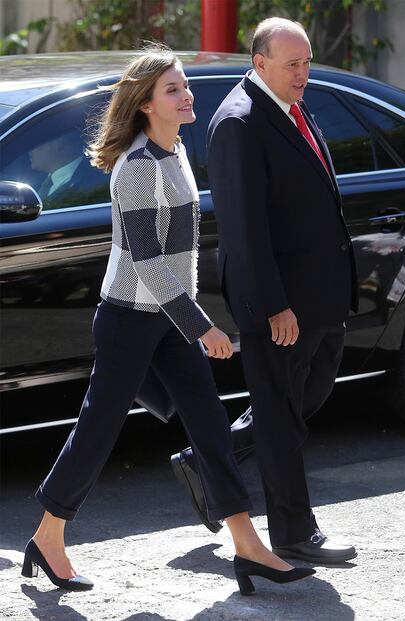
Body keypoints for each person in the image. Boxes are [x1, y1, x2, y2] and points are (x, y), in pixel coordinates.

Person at [21, 43, 314, 596]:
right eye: (173, 89)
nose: (186, 95)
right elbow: (146, 260)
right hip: (130, 318)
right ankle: (49, 536)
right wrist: (201, 324)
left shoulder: (176, 149)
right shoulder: (135, 168)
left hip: (167, 320)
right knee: (97, 432)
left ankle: (248, 547)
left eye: (184, 84)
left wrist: (187, 320)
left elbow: (176, 257)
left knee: (210, 428)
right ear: (146, 104)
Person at [171, 18, 359, 564]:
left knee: (309, 394)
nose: (304, 74)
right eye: (293, 65)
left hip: (318, 296)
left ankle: (208, 463)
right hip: (280, 302)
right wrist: (274, 304)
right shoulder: (240, 123)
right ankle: (295, 533)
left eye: (306, 63)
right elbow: (245, 231)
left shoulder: (288, 105)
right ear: (260, 63)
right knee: (278, 416)